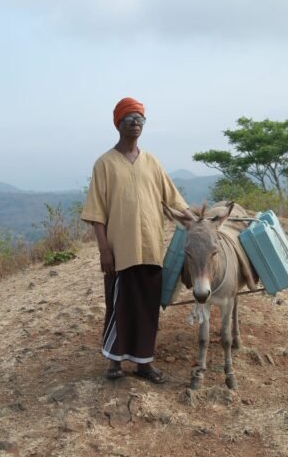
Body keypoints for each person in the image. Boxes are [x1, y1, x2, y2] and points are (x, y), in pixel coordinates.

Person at [80, 97, 194, 384]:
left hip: (150, 249)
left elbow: (174, 200)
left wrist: (198, 220)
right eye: (129, 118)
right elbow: (96, 213)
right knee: (119, 306)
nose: (135, 123)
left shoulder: (151, 162)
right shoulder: (104, 164)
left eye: (139, 118)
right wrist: (104, 251)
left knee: (147, 308)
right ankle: (115, 361)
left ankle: (144, 363)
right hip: (121, 251)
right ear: (118, 123)